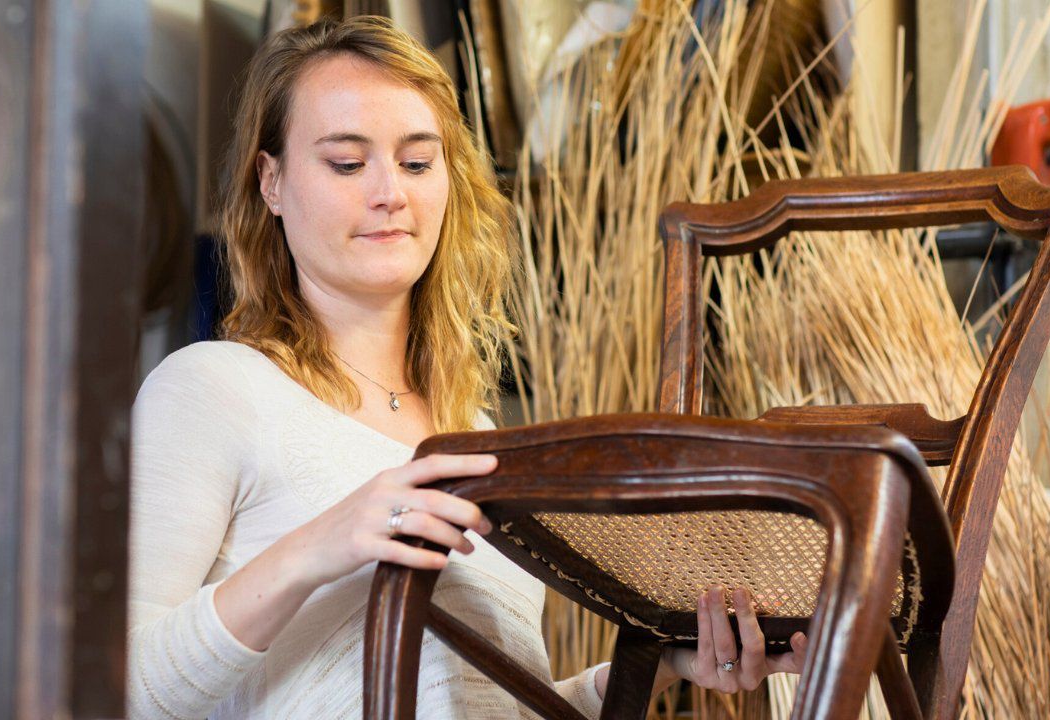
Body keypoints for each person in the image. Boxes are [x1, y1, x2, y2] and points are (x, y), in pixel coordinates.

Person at [126, 15, 807, 719]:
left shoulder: (474, 435)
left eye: (418, 162)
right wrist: (317, 548)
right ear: (270, 181)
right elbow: (114, 691)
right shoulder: (211, 390)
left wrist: (663, 663)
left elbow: (500, 705)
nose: (390, 191)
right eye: (348, 162)